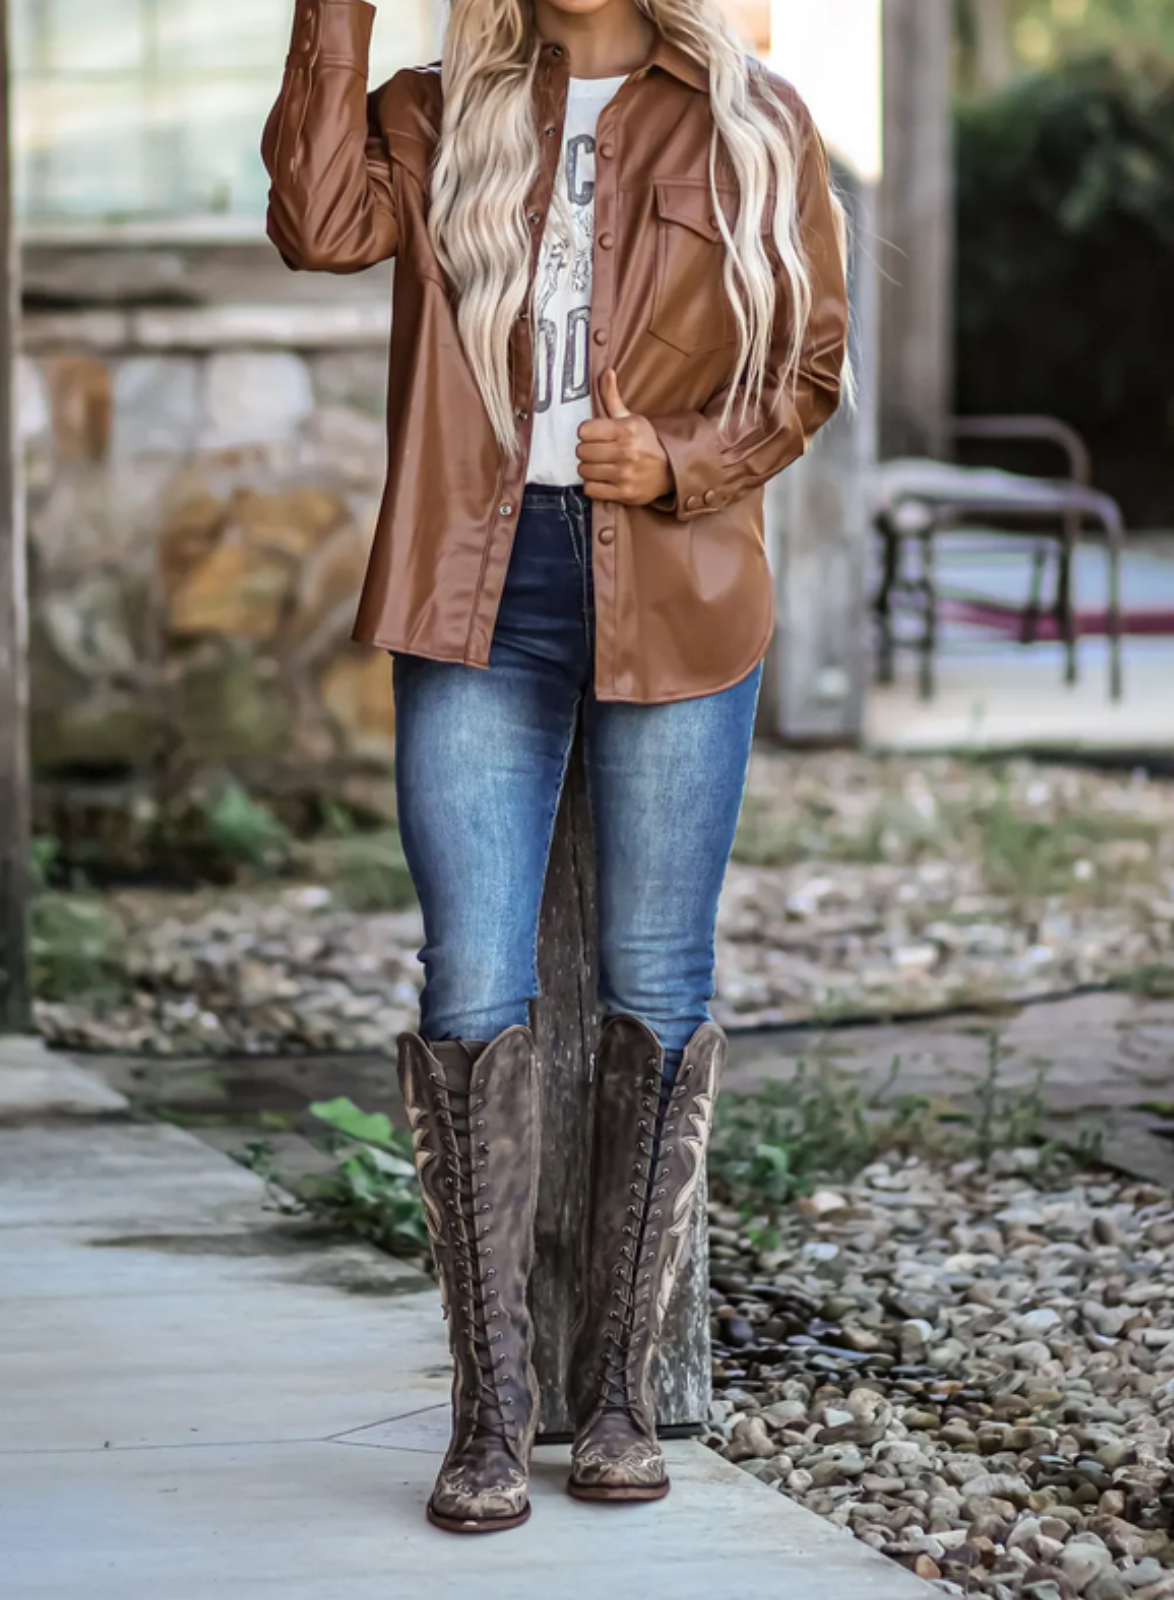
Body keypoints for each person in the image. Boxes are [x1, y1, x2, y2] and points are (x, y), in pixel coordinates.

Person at [264, 0, 849, 1537]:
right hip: (474, 589)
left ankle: (616, 1400)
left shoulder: (752, 114)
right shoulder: (436, 106)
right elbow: (318, 226)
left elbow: (811, 370)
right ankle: (488, 1411)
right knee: (470, 986)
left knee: (655, 975)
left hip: (674, 579)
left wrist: (683, 464)